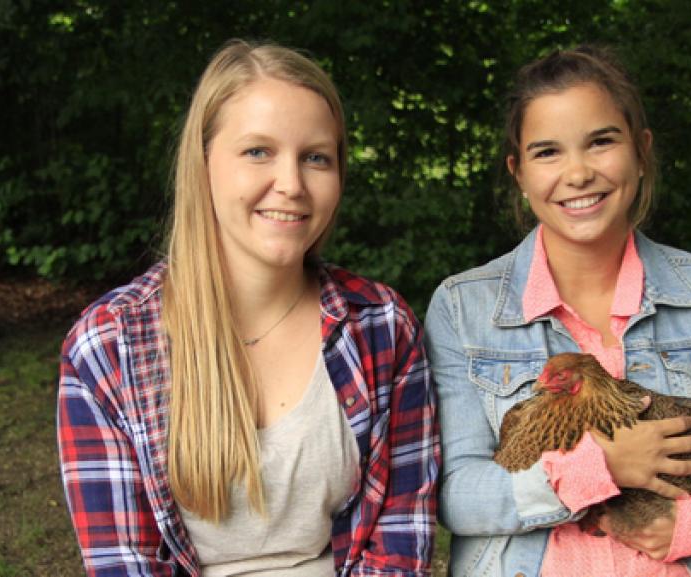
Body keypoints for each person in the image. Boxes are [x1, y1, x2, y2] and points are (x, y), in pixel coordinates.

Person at [425, 45, 691, 577]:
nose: (578, 173)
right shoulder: (463, 307)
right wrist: (599, 467)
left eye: (601, 141)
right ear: (518, 173)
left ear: (641, 151)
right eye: (547, 152)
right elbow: (452, 492)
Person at [57, 39, 439, 576]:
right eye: (258, 151)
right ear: (203, 164)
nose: (292, 185)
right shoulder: (107, 347)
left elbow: (399, 539)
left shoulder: (382, 328)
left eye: (316, 158)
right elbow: (124, 562)